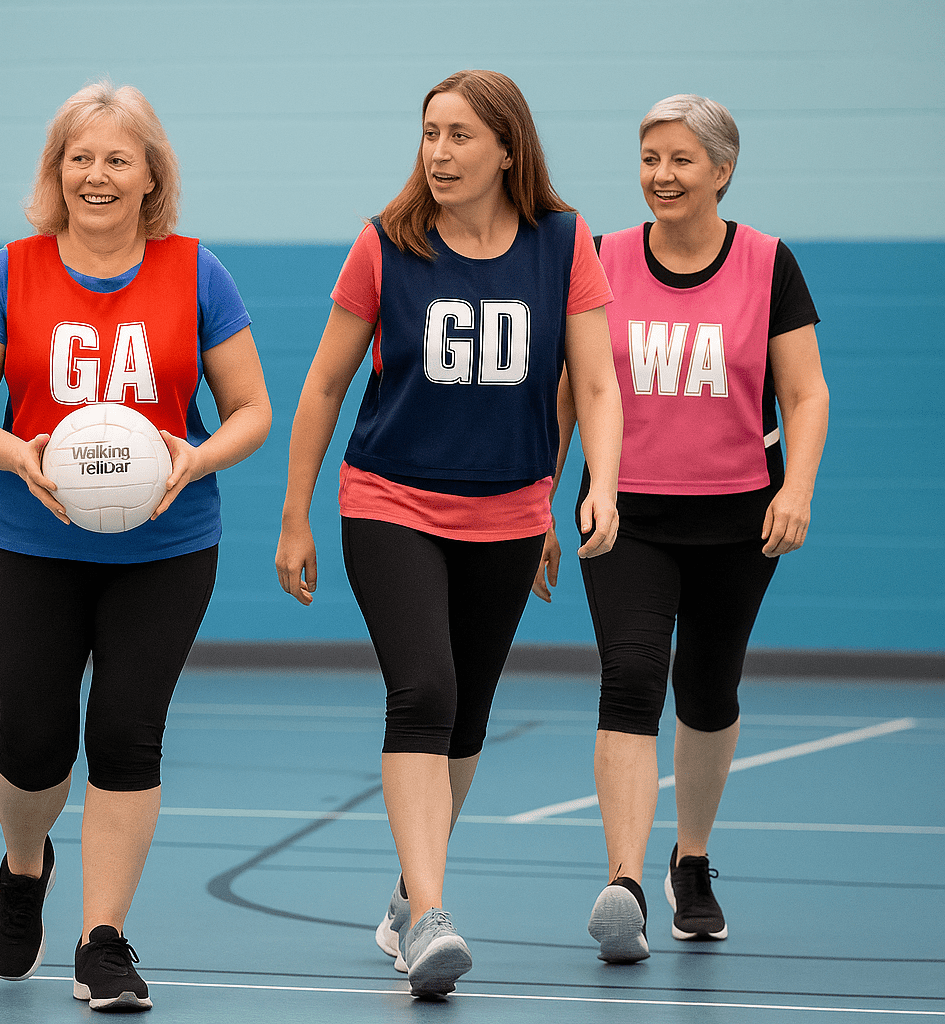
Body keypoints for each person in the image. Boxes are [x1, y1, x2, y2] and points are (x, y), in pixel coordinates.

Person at [275, 70, 622, 997]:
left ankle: (403, 893)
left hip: (507, 513)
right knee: (423, 693)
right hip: (390, 502)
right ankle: (431, 916)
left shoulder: (564, 242)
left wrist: (598, 489)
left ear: (509, 147)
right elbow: (322, 386)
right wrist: (295, 513)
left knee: (465, 718)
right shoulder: (385, 245)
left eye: (461, 135)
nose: (439, 151)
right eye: (430, 132)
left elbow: (593, 385)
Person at [0, 80, 269, 1012]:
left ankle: (102, 941)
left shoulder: (197, 273)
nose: (96, 174)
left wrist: (194, 458)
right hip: (30, 539)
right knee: (35, 742)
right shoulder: (10, 272)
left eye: (117, 158)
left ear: (150, 173)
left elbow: (253, 411)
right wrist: (20, 452)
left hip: (165, 545)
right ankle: (22, 862)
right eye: (79, 157)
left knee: (126, 734)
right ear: (56, 171)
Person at [531, 94, 829, 964]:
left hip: (741, 516)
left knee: (707, 691)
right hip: (625, 513)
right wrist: (542, 502)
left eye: (681, 160)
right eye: (649, 157)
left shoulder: (769, 265)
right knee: (630, 678)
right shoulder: (602, 257)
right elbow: (567, 394)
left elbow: (805, 394)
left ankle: (688, 858)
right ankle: (624, 881)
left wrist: (797, 489)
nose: (661, 175)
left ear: (721, 171)